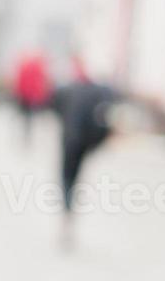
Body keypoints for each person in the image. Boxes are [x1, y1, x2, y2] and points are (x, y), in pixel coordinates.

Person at [50, 76, 119, 250]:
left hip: (70, 141)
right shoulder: (99, 92)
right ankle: (69, 211)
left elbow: (54, 107)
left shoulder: (67, 90)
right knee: (73, 178)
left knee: (67, 178)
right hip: (83, 143)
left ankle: (67, 211)